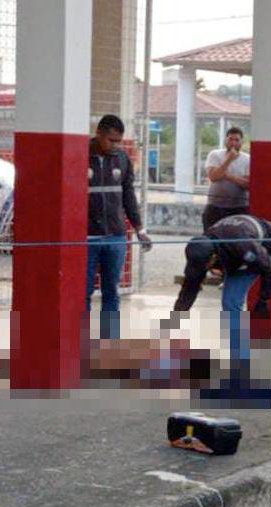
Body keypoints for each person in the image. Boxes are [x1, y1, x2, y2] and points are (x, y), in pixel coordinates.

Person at [173, 214, 271, 381]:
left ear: (213, 257)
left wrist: (263, 300)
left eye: (205, 267)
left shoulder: (241, 245)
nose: (203, 270)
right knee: (230, 304)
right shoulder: (200, 252)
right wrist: (177, 319)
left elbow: (270, 269)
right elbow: (189, 288)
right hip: (241, 261)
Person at [87, 114, 152, 339]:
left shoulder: (122, 159)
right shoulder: (80, 155)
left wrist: (140, 229)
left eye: (119, 141)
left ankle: (109, 339)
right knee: (83, 290)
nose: (115, 145)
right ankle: (80, 340)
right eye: (111, 140)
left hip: (116, 236)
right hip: (87, 238)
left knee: (111, 290)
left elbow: (129, 196)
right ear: (99, 134)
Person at [203, 126, 251, 230]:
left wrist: (228, 175)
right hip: (215, 206)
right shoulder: (215, 155)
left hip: (239, 207)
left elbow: (248, 184)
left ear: (241, 142)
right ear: (225, 140)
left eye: (237, 140)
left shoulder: (247, 159)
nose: (233, 143)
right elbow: (213, 177)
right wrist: (228, 160)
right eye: (230, 139)